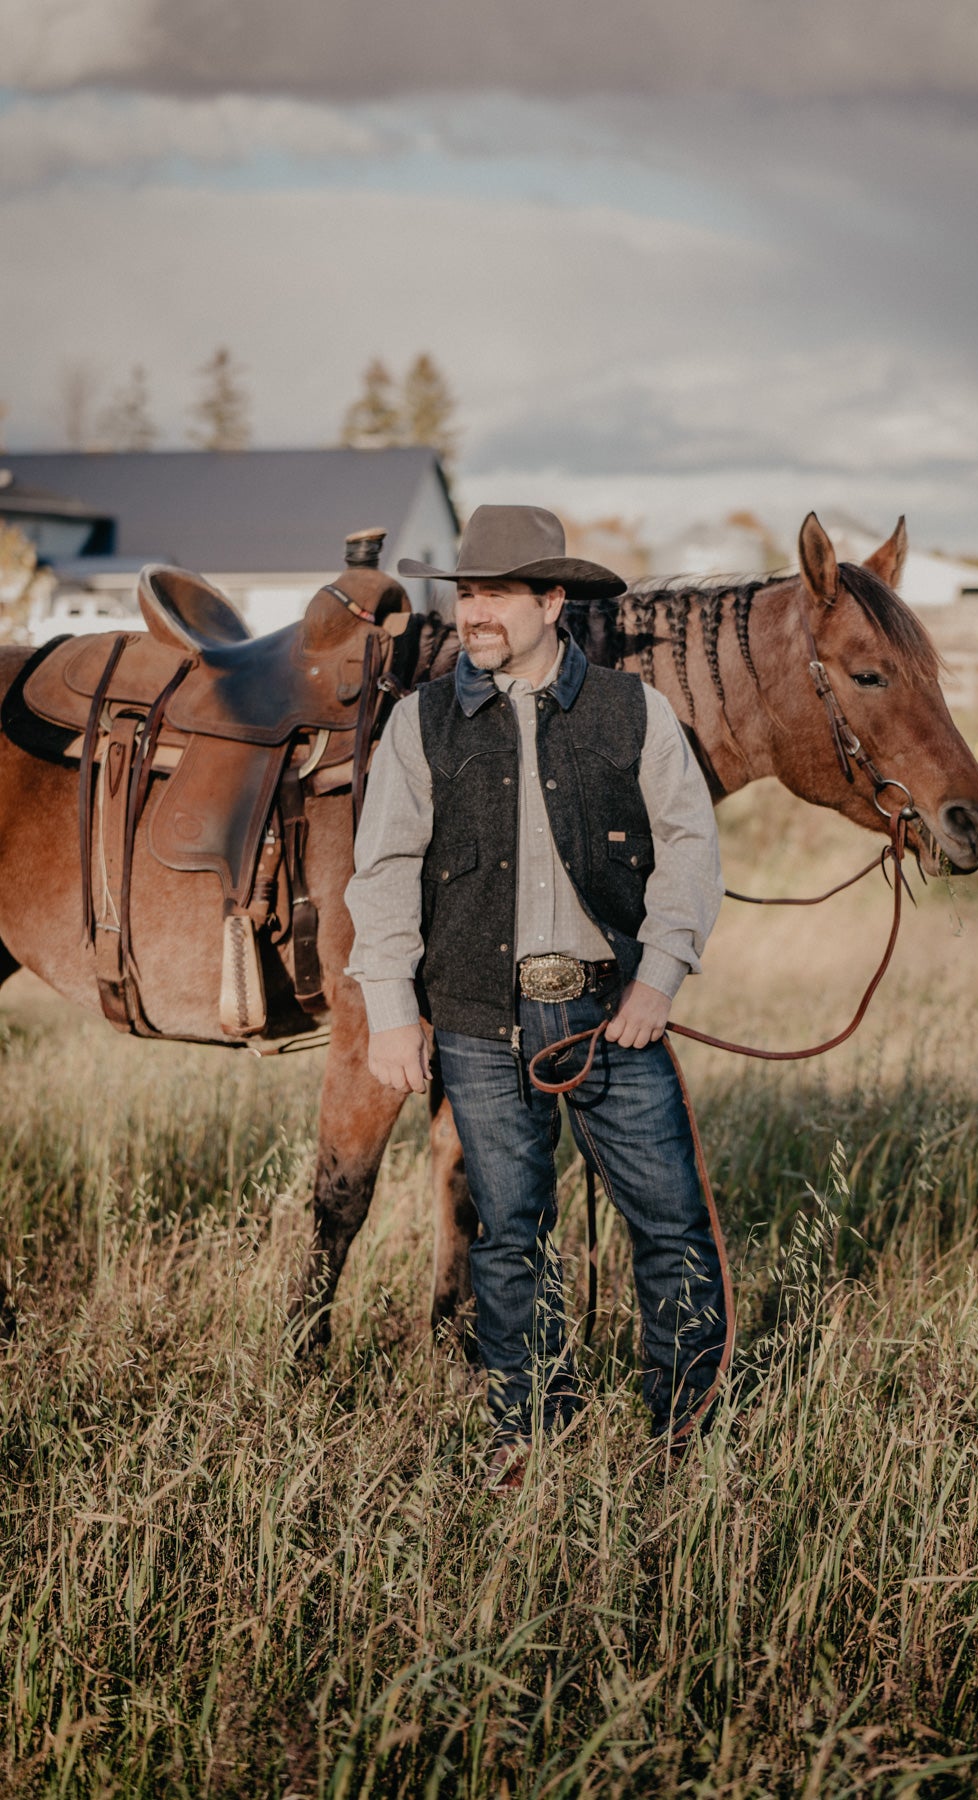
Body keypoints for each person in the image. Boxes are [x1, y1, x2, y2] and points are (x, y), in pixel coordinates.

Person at [346, 504, 726, 1481]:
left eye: (498, 593)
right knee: (509, 1233)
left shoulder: (631, 712)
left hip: (612, 1017)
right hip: (476, 1021)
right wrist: (392, 1010)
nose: (474, 611)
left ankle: (681, 1432)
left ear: (552, 600)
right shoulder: (419, 722)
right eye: (466, 592)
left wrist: (660, 974)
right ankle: (527, 1429)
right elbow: (383, 871)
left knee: (672, 1225)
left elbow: (690, 844)